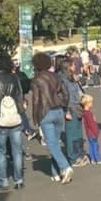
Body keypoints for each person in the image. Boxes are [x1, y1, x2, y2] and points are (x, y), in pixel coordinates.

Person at [30, 51, 73, 183]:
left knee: (51, 143)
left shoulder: (36, 80)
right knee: (56, 142)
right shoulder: (56, 76)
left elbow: (36, 100)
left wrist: (35, 118)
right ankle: (55, 172)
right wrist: (64, 107)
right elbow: (66, 94)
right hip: (58, 110)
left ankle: (65, 167)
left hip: (45, 112)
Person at [0, 55, 25, 191]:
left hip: (0, 120)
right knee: (17, 150)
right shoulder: (15, 78)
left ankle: (3, 181)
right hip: (15, 119)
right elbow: (20, 97)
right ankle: (19, 180)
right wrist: (20, 112)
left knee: (0, 151)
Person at [59, 59, 88, 167]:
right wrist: (66, 111)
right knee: (71, 134)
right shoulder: (62, 79)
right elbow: (64, 97)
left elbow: (79, 90)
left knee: (78, 132)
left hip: (78, 106)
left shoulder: (72, 77)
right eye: (72, 65)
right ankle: (73, 157)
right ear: (68, 67)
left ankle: (79, 153)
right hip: (70, 108)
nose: (75, 66)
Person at [81, 94, 101, 164]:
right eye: (91, 102)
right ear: (87, 103)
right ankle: (98, 159)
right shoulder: (88, 113)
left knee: (91, 146)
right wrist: (96, 132)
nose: (92, 104)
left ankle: (92, 159)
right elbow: (92, 124)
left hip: (88, 133)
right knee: (95, 146)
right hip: (92, 133)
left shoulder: (84, 112)